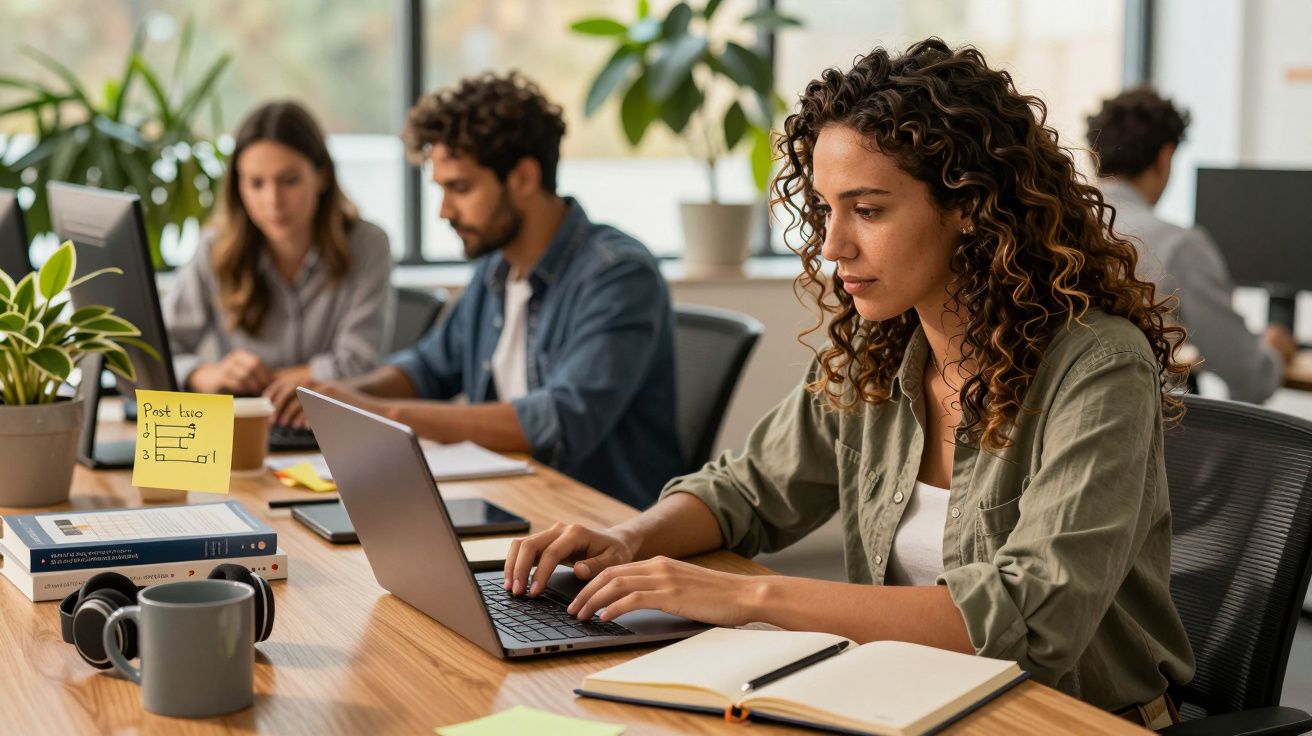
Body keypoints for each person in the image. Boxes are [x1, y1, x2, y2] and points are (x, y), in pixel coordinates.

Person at [502, 39, 1196, 725]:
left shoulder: (1099, 367)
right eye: (826, 209)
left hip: (1067, 720)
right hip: (911, 703)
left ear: (969, 205)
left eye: (867, 211)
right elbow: (748, 491)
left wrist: (749, 599)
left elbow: (1030, 619)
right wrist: (630, 538)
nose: (833, 246)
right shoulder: (879, 345)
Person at [295, 72, 680, 508]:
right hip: (514, 505)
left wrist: (383, 415)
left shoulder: (618, 276)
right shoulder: (495, 270)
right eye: (440, 189)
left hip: (603, 524)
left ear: (524, 178)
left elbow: (557, 420)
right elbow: (428, 369)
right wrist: (342, 398)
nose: (443, 211)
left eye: (460, 188)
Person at [164, 100, 394, 420]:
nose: (272, 201)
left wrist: (261, 383)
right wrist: (205, 375)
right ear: (238, 187)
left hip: (324, 427)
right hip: (241, 429)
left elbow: (359, 363)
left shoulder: (368, 245)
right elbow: (159, 351)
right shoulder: (214, 248)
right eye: (256, 183)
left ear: (322, 176)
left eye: (289, 180)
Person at [1087, 87, 1295, 403]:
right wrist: (1274, 349)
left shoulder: (1054, 227)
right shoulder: (1178, 246)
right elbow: (1249, 377)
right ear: (1165, 156)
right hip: (1138, 430)